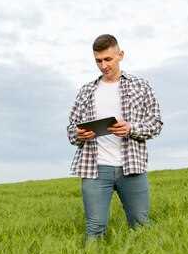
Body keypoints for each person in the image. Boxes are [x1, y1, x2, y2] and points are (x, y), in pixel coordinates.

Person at [66, 34, 163, 241]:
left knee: (141, 224)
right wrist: (79, 134)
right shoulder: (86, 91)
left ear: (120, 55)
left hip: (132, 166)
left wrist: (131, 128)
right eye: (98, 61)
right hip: (95, 168)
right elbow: (71, 130)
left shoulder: (140, 85)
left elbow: (156, 124)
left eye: (108, 59)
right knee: (95, 227)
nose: (103, 66)